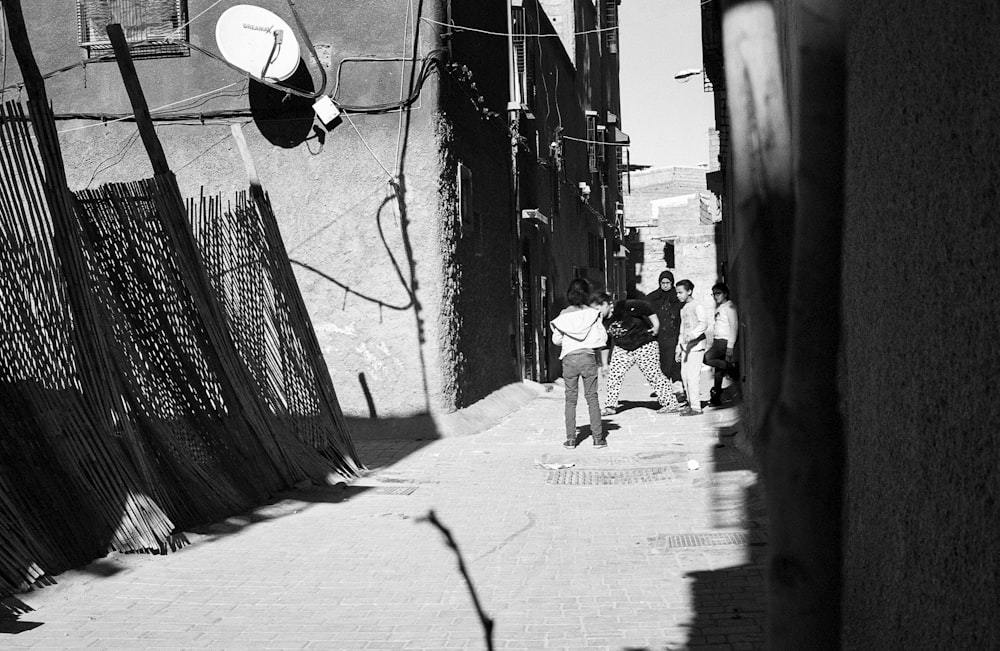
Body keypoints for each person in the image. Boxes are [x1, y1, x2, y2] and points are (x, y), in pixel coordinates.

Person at [599, 294, 681, 416]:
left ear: (606, 304)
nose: (596, 312)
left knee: (653, 374)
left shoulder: (623, 306)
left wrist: (656, 326)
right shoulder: (601, 322)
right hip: (623, 348)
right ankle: (610, 406)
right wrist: (605, 364)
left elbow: (646, 307)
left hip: (644, 343)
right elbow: (605, 343)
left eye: (597, 308)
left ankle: (671, 404)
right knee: (614, 375)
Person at [551, 279, 608, 449]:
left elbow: (556, 340)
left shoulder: (563, 315)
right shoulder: (592, 314)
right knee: (592, 398)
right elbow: (602, 338)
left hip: (569, 358)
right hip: (588, 357)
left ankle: (570, 440)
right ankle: (598, 439)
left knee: (570, 400)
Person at [675, 279, 708, 416]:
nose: (678, 295)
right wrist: (679, 346)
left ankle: (696, 407)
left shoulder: (697, 306)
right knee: (685, 376)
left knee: (693, 377)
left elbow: (703, 323)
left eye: (681, 292)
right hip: (686, 348)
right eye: (677, 293)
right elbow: (682, 328)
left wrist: (693, 335)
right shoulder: (683, 308)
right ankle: (690, 403)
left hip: (696, 346)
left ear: (689, 291)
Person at [646, 269, 683, 388]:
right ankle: (663, 388)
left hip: (674, 334)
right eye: (663, 283)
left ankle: (677, 389)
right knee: (661, 362)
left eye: (668, 283)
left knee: (675, 361)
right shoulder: (653, 298)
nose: (665, 285)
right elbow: (647, 313)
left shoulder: (677, 297)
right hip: (660, 336)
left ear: (672, 283)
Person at [705, 282, 738, 407]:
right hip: (717, 340)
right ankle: (716, 398)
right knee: (718, 372)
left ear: (725, 294)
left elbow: (734, 326)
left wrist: (730, 345)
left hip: (724, 341)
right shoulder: (719, 308)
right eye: (713, 294)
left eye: (718, 293)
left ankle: (730, 367)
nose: (715, 296)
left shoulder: (730, 307)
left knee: (706, 358)